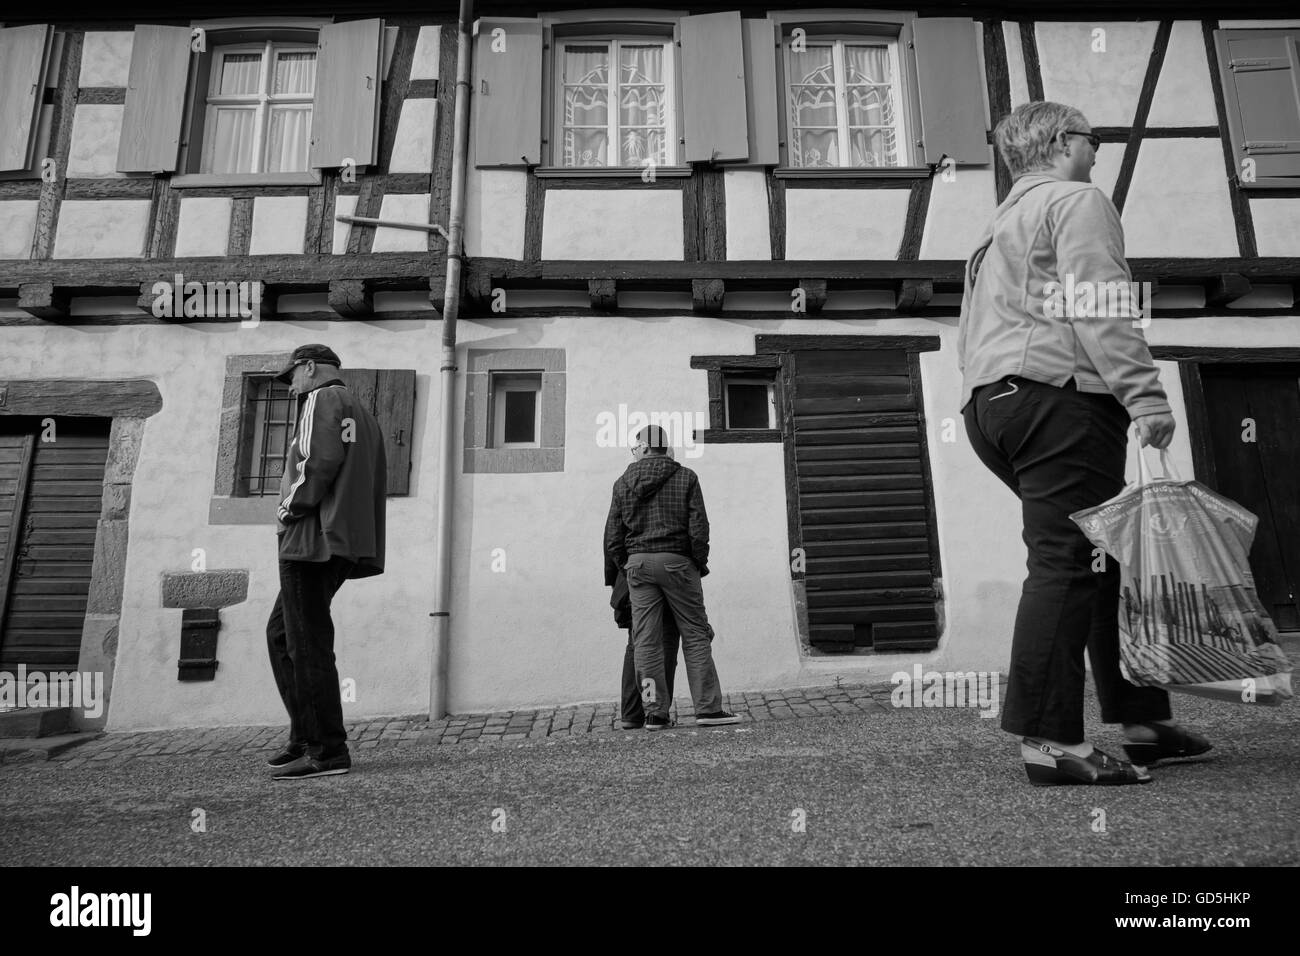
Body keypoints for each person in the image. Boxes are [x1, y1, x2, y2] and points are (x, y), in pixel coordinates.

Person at [958, 101, 1210, 786]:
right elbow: (1100, 300)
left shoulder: (994, 229)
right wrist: (1147, 396)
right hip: (1058, 399)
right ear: (1063, 141)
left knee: (1101, 557)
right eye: (1092, 139)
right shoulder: (1077, 200)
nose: (1097, 151)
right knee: (1070, 561)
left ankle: (1141, 722)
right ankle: (1049, 742)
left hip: (996, 405)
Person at [265, 345, 387, 780]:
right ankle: (306, 735)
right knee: (284, 634)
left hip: (311, 538)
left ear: (311, 367)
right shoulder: (365, 413)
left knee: (305, 641)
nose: (292, 385)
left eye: (292, 376)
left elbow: (317, 463)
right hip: (341, 541)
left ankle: (326, 750)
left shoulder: (321, 398)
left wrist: (286, 510)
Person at [603, 424, 739, 729]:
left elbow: (614, 536)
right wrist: (697, 563)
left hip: (638, 566)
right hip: (678, 563)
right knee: (695, 635)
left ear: (646, 448)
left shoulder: (622, 482)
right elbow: (699, 527)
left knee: (646, 641)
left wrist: (627, 563)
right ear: (665, 447)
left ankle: (655, 712)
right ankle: (707, 709)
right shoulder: (687, 477)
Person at [610, 568, 680, 729]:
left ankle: (631, 714)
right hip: (655, 574)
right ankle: (657, 713)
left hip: (629, 576)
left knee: (636, 641)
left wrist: (623, 571)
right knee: (666, 637)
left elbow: (612, 545)